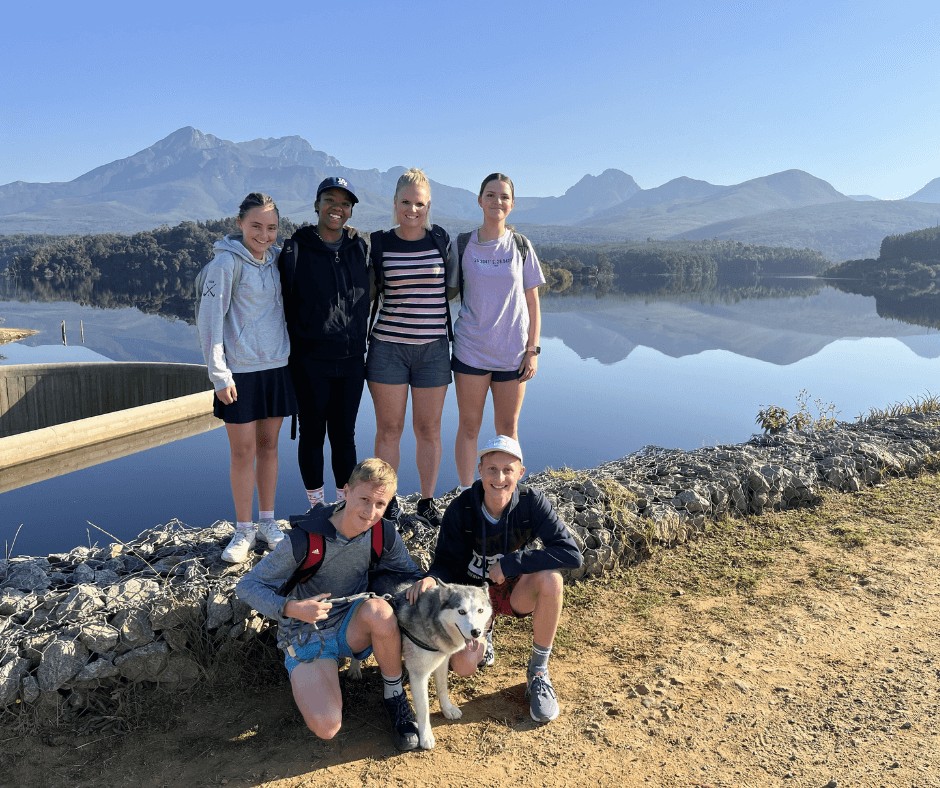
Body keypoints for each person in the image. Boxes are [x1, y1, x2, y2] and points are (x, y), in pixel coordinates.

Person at [236, 458, 423, 751]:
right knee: (327, 726)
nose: (369, 512)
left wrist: (431, 580)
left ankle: (394, 694)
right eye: (363, 499)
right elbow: (246, 586)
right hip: (305, 632)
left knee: (380, 611)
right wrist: (291, 608)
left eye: (380, 504)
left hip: (351, 625)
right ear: (345, 492)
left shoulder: (382, 533)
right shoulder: (304, 538)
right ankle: (309, 670)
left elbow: (409, 572)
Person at [406, 435, 582, 723]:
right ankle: (485, 630)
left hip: (513, 590)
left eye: (508, 470)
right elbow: (445, 563)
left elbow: (571, 555)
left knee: (551, 580)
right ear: (480, 470)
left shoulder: (532, 503)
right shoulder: (461, 509)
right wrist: (432, 579)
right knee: (463, 667)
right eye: (492, 469)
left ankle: (538, 671)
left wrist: (513, 562)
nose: (499, 478)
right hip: (473, 599)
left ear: (520, 473)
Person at [196, 192, 296, 563]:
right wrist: (219, 375)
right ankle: (242, 529)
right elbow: (209, 323)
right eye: (256, 226)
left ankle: (268, 522)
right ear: (240, 224)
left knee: (270, 449)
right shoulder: (224, 264)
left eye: (271, 227)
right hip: (240, 373)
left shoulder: (275, 262)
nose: (264, 234)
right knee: (243, 452)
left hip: (276, 367)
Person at [367, 168, 456, 528]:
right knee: (389, 429)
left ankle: (426, 500)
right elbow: (367, 294)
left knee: (429, 429)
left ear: (428, 205)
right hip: (388, 347)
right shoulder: (380, 242)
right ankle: (386, 502)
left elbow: (455, 287)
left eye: (419, 203)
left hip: (433, 349)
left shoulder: (440, 239)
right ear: (395, 203)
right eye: (406, 202)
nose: (412, 210)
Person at [280, 177, 371, 509]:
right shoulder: (296, 248)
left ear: (350, 211)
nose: (337, 207)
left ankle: (344, 505)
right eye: (330, 200)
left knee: (345, 437)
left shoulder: (358, 247)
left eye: (345, 203)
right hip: (310, 361)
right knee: (312, 435)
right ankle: (316, 507)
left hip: (350, 360)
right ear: (316, 204)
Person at [451, 173, 545, 490]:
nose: (497, 202)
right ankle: (466, 493)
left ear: (512, 205)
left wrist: (533, 350)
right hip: (471, 351)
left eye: (503, 196)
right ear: (480, 200)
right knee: (468, 426)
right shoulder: (463, 244)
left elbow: (533, 303)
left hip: (512, 354)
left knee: (507, 428)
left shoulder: (521, 245)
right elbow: (444, 290)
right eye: (490, 195)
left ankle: (507, 494)